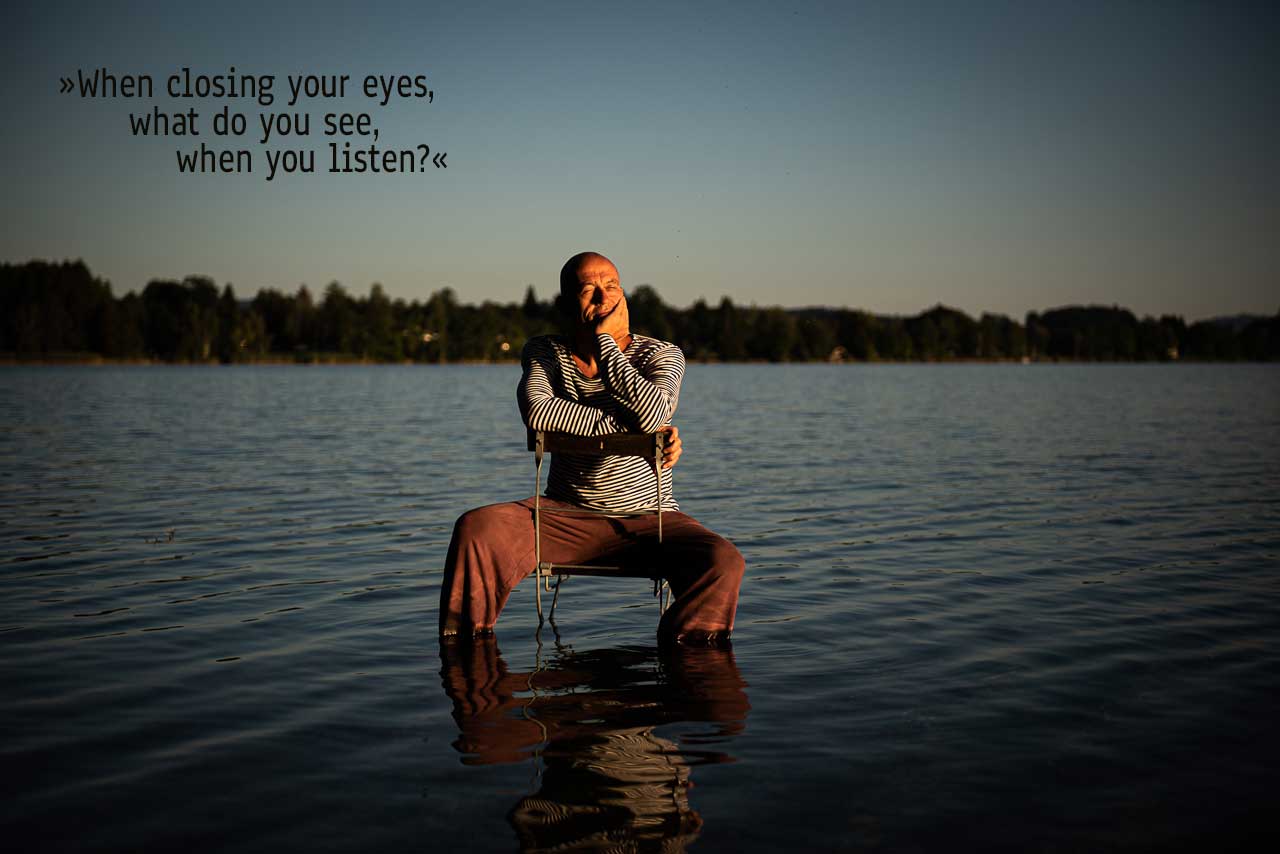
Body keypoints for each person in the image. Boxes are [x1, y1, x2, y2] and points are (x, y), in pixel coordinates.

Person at [438, 251, 745, 644]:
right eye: (588, 290)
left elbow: (652, 413)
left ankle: (688, 667)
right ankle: (466, 661)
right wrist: (636, 434)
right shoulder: (545, 351)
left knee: (724, 563)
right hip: (563, 515)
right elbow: (538, 413)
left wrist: (606, 344)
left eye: (612, 286)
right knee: (476, 529)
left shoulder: (660, 354)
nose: (603, 298)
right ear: (566, 306)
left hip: (651, 522)